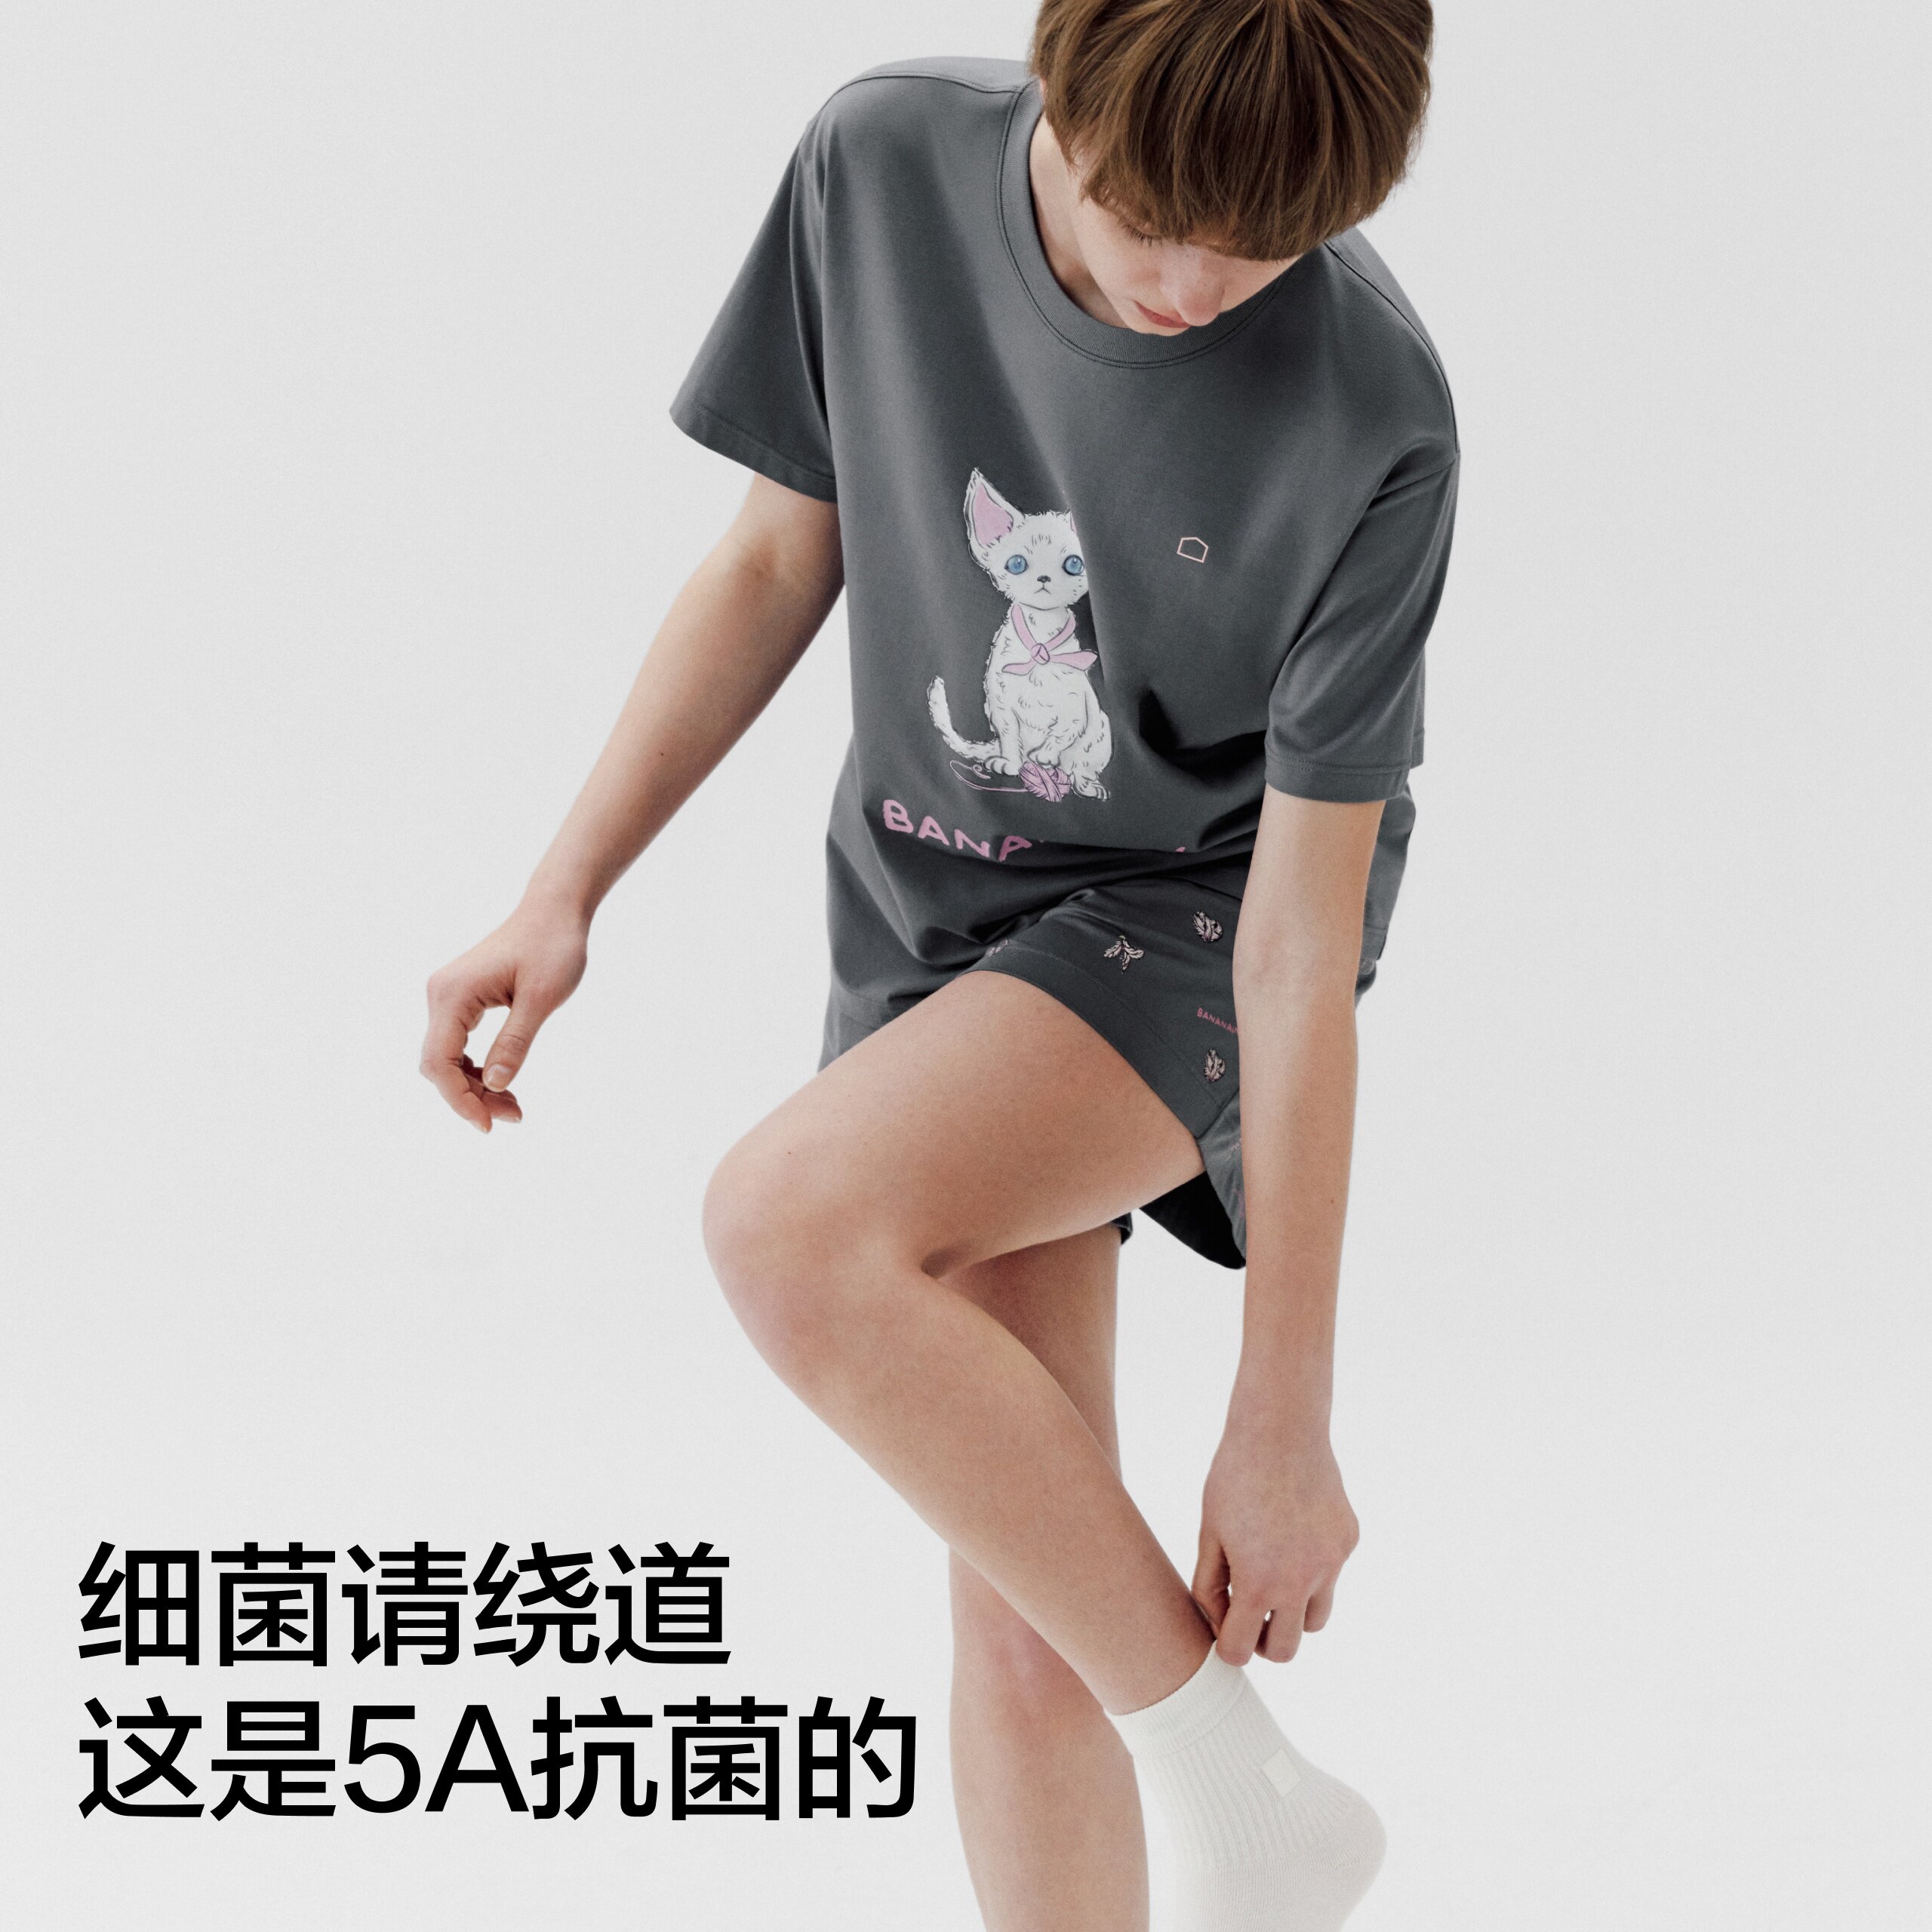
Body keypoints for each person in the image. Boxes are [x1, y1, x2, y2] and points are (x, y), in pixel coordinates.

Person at [421, 2, 1452, 1924]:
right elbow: (771, 558)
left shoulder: (1372, 410)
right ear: (1063, 79)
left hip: (1197, 913)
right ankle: (1243, 1817)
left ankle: (1251, 1798)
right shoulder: (877, 165)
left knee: (783, 1220)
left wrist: (1281, 1411)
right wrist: (565, 887)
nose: (1189, 287)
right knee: (1028, 1621)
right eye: (1148, 219)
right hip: (934, 900)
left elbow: (1302, 946)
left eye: (1257, 251)